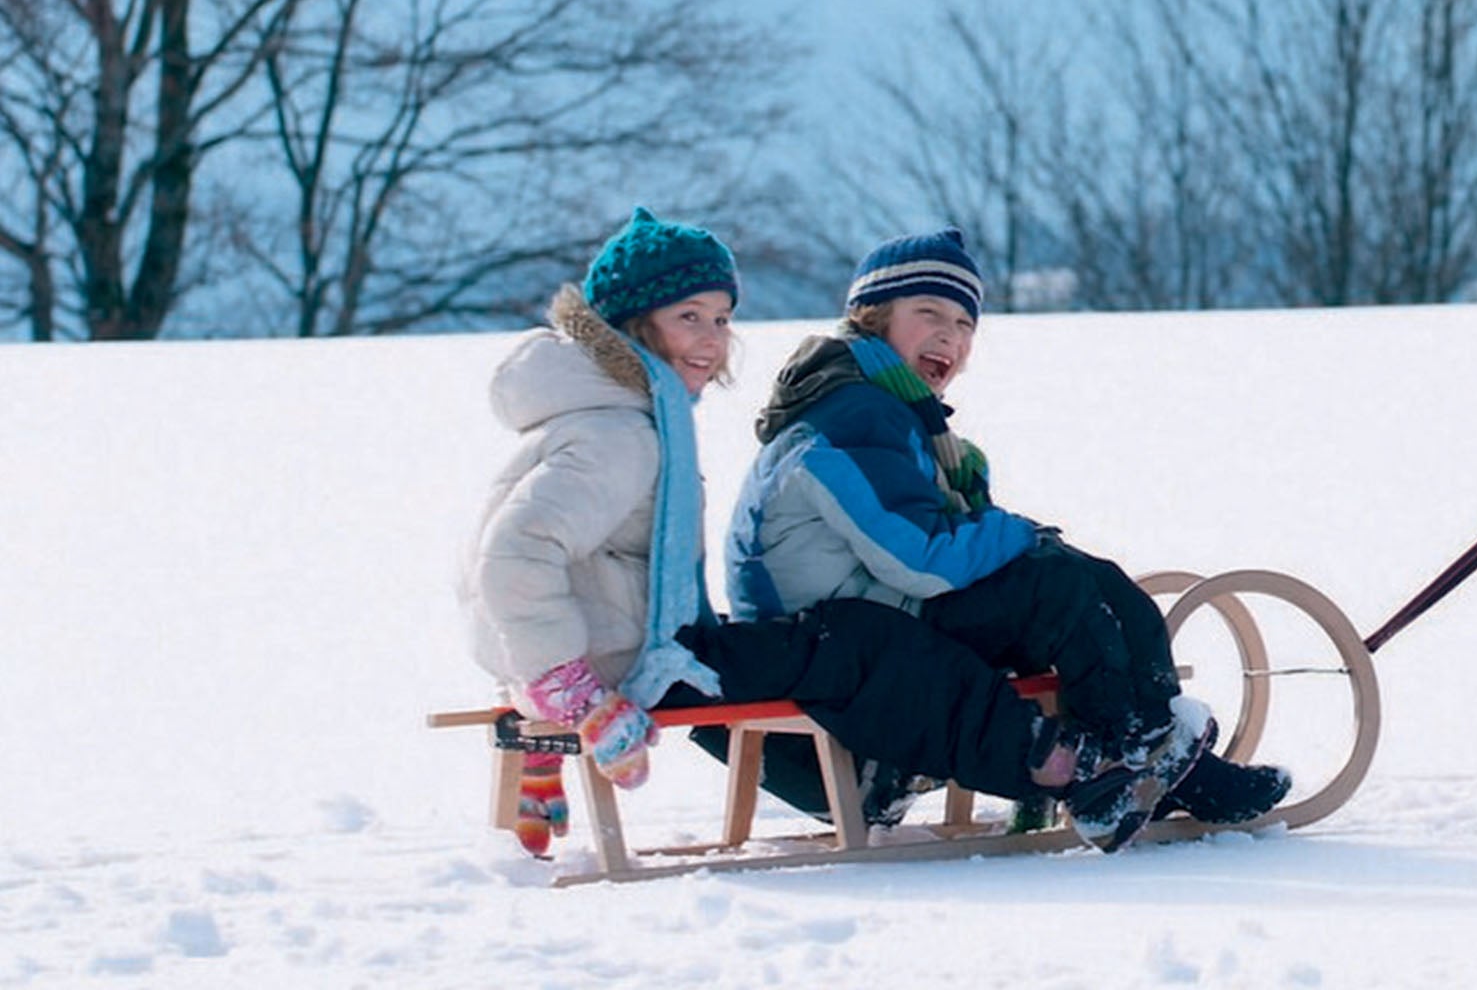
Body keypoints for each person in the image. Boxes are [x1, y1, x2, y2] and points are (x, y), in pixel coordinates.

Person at [460, 207, 1153, 858]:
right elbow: (512, 556)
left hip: (632, 647)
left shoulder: (626, 416)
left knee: (835, 645)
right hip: (622, 664)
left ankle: (896, 776)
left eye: (723, 318)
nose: (711, 338)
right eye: (688, 316)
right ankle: (1052, 763)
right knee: (858, 643)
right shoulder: (620, 435)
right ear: (630, 326)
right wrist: (570, 689)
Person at [727, 227, 1294, 844]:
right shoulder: (853, 415)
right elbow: (920, 557)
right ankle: (1134, 763)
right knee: (1057, 587)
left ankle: (1154, 760)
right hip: (840, 644)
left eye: (965, 323)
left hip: (873, 616)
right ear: (873, 318)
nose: (951, 335)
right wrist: (1017, 533)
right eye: (929, 314)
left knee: (1082, 580)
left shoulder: (887, 412)